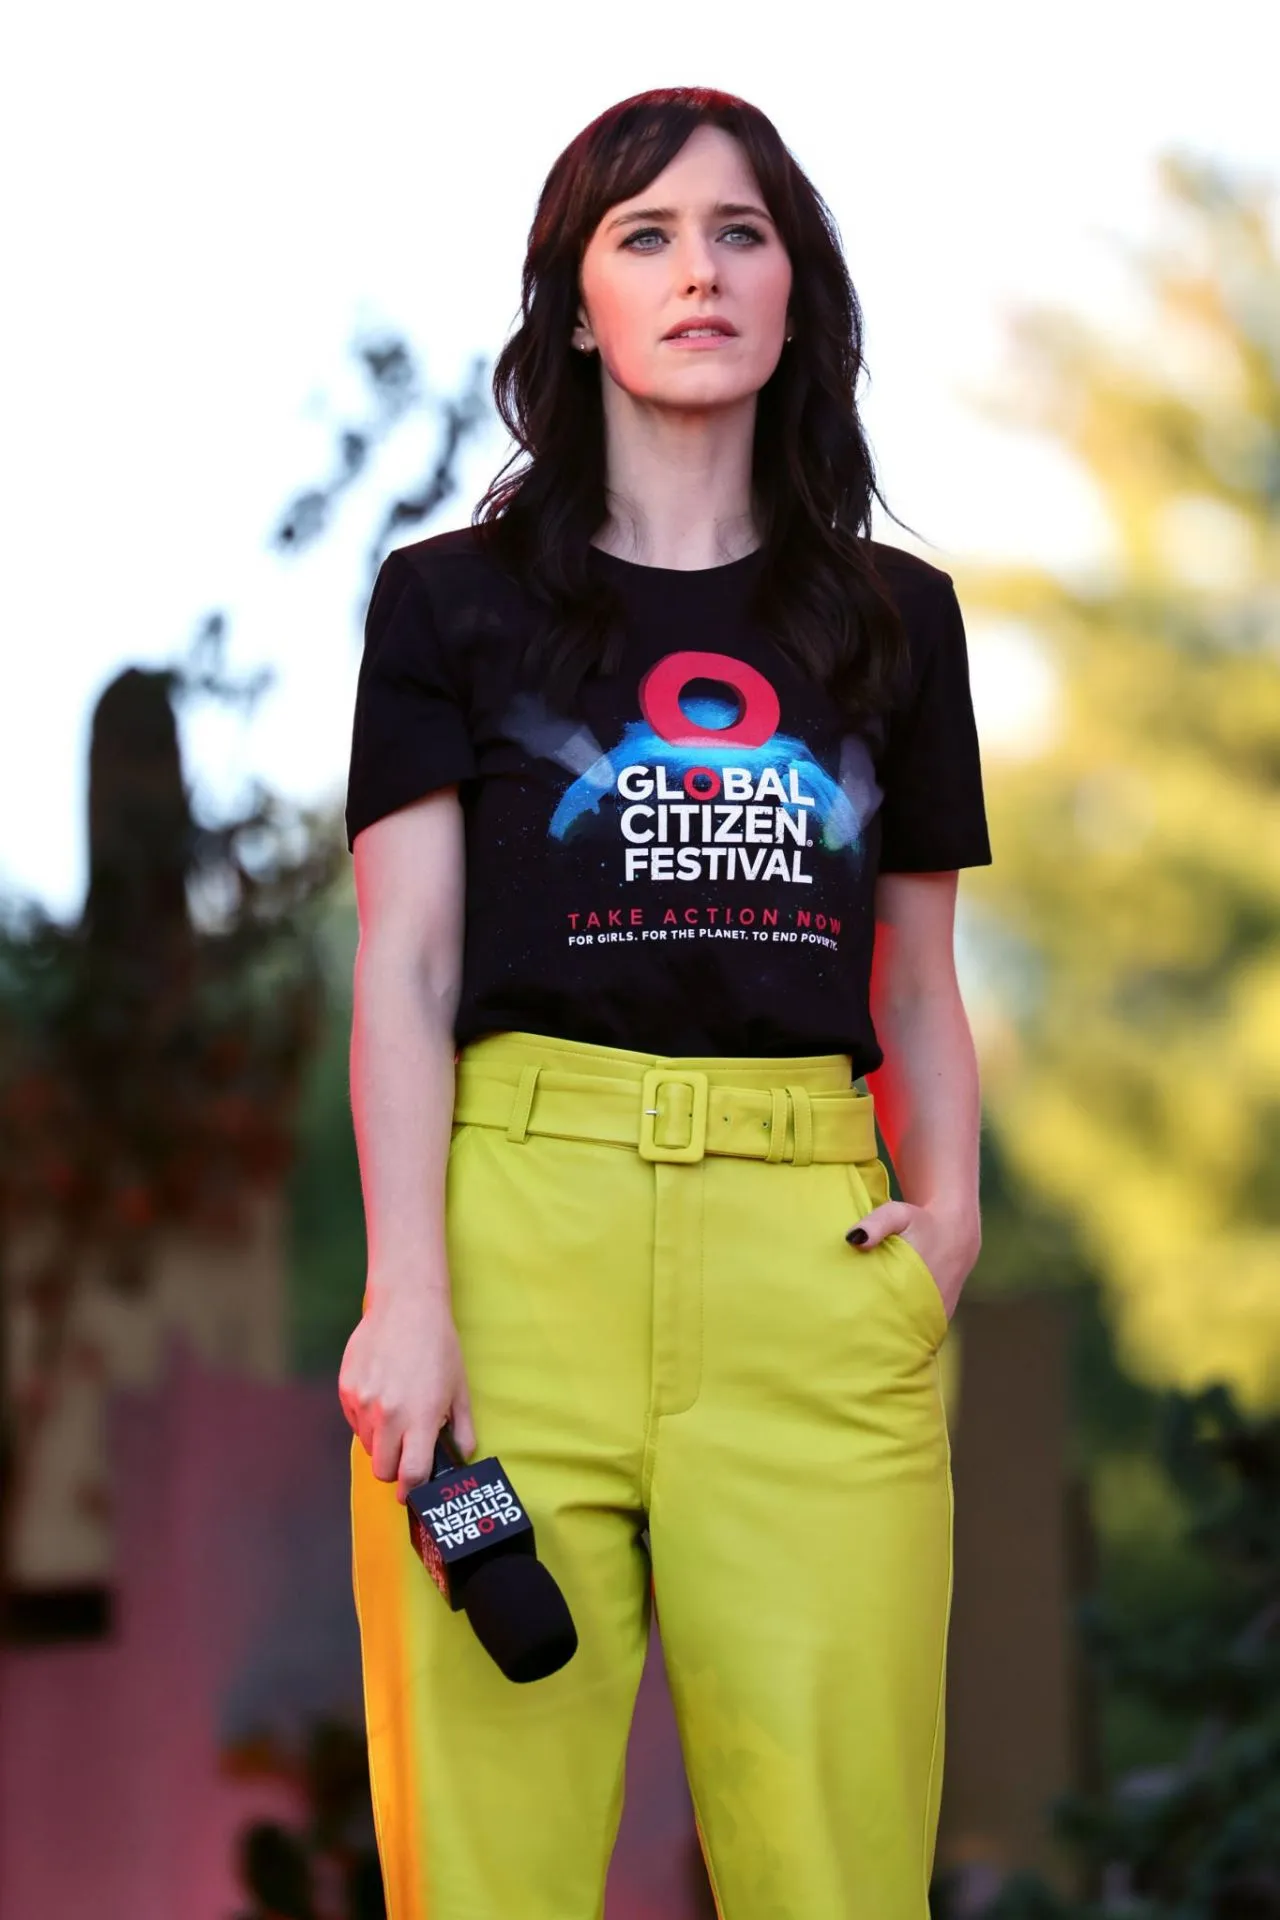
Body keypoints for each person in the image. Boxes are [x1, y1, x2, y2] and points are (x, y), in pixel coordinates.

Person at [338, 85, 991, 1920]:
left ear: (797, 296)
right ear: (575, 307)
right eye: (646, 237)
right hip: (514, 1244)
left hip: (816, 1266)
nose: (696, 273)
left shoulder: (895, 622)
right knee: (486, 1882)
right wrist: (408, 1293)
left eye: (739, 233)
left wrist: (948, 1225)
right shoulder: (448, 607)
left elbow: (920, 983)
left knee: (841, 1882)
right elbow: (401, 963)